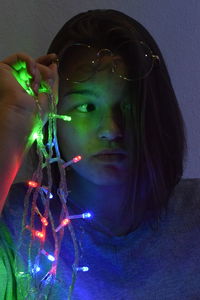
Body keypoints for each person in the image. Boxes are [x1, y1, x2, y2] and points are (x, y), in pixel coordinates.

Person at [0, 8, 200, 300]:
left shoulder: (193, 219)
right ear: (55, 114)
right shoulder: (18, 223)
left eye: (129, 105)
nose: (111, 128)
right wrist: (13, 118)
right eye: (86, 107)